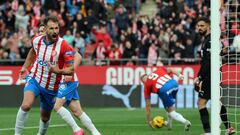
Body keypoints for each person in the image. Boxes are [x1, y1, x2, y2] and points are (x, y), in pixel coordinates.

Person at [15, 16, 81, 135]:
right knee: (26, 105)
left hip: (52, 87)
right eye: (51, 28)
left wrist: (57, 70)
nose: (55, 31)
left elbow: (71, 69)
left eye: (56, 28)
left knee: (45, 118)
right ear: (45, 29)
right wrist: (25, 67)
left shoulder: (63, 45)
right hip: (35, 79)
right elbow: (32, 52)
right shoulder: (36, 41)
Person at [194, 17, 235, 135]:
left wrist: (200, 77)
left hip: (210, 75)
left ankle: (208, 132)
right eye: (198, 26)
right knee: (217, 102)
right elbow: (218, 54)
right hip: (216, 74)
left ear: (208, 26)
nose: (199, 28)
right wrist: (222, 52)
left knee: (201, 103)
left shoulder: (210, 40)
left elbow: (208, 61)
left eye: (202, 25)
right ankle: (229, 127)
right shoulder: (212, 40)